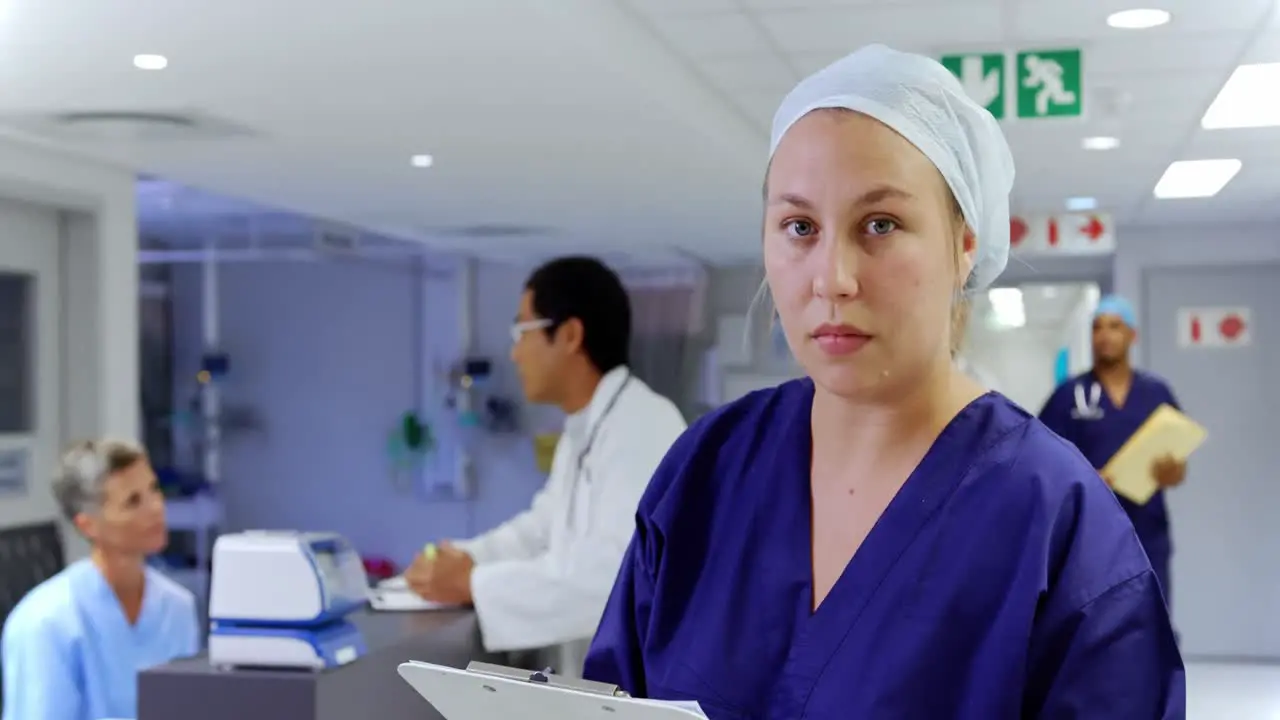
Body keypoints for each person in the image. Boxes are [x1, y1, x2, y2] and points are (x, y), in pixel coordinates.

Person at [583, 45, 1184, 717]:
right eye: (799, 227)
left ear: (963, 246)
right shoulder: (706, 472)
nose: (832, 278)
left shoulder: (1055, 523)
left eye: (880, 224)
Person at [405, 256, 687, 676]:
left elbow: (613, 573)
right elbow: (541, 529)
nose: (515, 353)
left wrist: (473, 582)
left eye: (523, 331)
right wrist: (465, 558)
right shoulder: (585, 430)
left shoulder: (643, 425)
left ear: (570, 335)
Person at [2, 439, 199, 720]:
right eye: (133, 501)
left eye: (154, 490)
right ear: (88, 524)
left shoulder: (178, 608)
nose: (155, 507)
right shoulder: (45, 623)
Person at [1038, 295, 1186, 608]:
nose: (1104, 335)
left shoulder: (1156, 392)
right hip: (1088, 530)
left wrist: (1172, 472)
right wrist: (1086, 477)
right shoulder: (1070, 395)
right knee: (1095, 615)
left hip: (1147, 528)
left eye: (1115, 327)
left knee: (1151, 614)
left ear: (1133, 335)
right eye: (1097, 328)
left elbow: (1178, 467)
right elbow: (1041, 460)